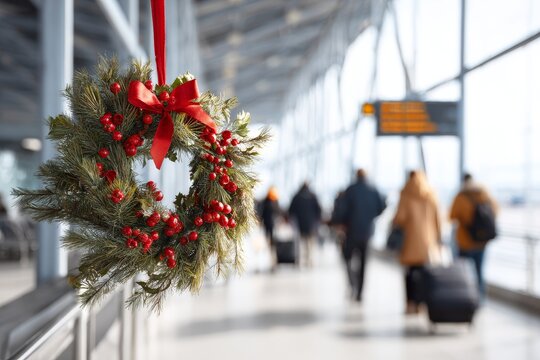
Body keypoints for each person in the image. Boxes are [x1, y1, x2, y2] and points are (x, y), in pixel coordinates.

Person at [393, 170, 441, 314]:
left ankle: (411, 303)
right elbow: (438, 218)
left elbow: (400, 218)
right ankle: (422, 302)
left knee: (409, 274)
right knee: (425, 273)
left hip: (410, 241)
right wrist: (438, 237)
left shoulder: (406, 194)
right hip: (428, 241)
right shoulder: (431, 194)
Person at [337, 169, 386, 302]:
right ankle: (360, 291)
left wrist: (342, 223)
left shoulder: (350, 190)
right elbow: (382, 207)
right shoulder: (373, 189)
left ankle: (352, 283)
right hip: (367, 232)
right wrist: (370, 217)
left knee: (347, 258)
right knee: (364, 263)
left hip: (351, 231)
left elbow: (342, 209)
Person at [450, 173, 498, 298]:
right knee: (479, 271)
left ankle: (464, 297)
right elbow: (496, 211)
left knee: (463, 272)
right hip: (482, 242)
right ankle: (480, 298)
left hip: (465, 241)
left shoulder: (461, 197)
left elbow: (451, 216)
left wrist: (466, 219)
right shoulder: (484, 194)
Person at [288, 182, 322, 267]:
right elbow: (319, 210)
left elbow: (291, 210)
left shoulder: (297, 196)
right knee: (310, 243)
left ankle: (300, 261)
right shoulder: (313, 196)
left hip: (299, 224)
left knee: (300, 244)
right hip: (311, 225)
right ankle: (310, 260)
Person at [260, 187, 281, 264]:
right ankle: (272, 257)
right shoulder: (273, 201)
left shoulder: (269, 201)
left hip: (272, 225)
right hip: (270, 225)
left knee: (272, 241)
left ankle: (273, 257)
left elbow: (262, 213)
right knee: (270, 241)